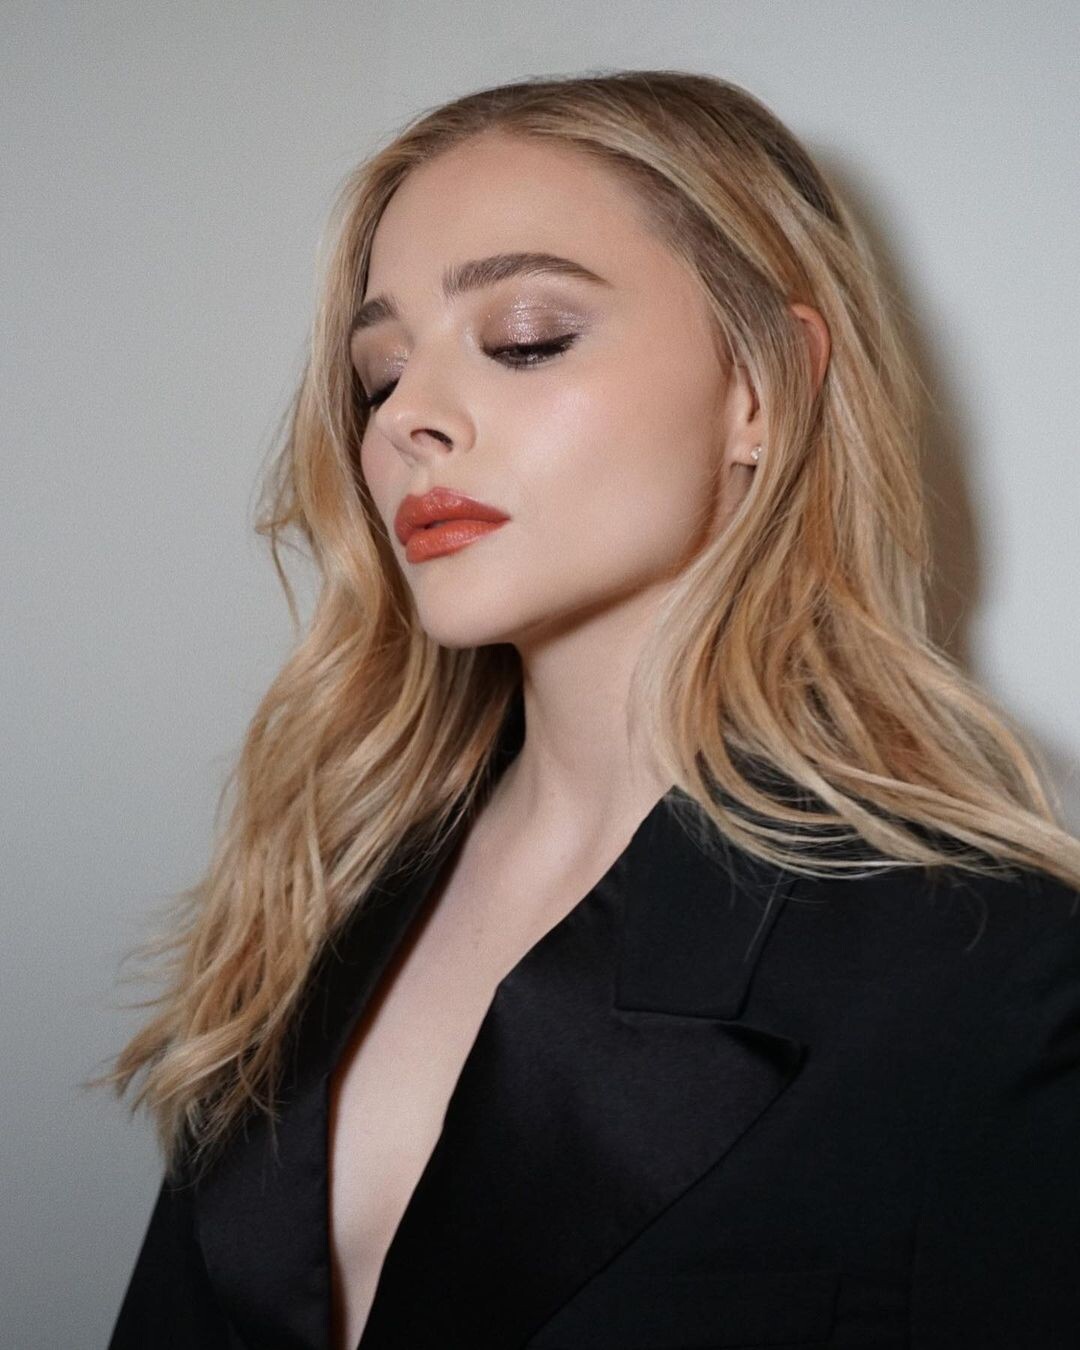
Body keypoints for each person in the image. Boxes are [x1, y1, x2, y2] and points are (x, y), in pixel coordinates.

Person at [97, 70, 1080, 1349]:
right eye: (379, 374)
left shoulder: (990, 973)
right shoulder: (316, 889)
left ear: (761, 389)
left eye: (525, 339)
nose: (408, 422)